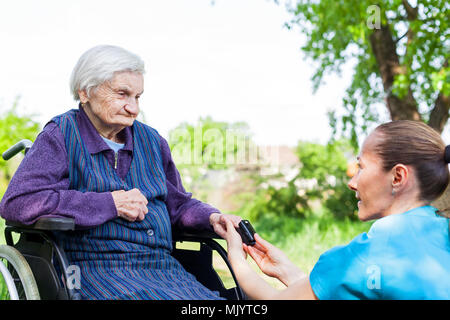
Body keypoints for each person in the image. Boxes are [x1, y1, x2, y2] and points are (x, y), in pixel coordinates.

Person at [0, 45, 241, 300]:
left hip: (162, 268)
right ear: (85, 92)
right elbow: (18, 202)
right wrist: (109, 203)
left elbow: (178, 205)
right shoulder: (61, 135)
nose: (133, 108)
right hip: (91, 269)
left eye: (137, 97)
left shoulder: (152, 142)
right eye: (122, 94)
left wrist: (212, 218)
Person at [223, 120, 450, 299]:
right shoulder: (442, 234)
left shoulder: (365, 254)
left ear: (398, 177)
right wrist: (289, 272)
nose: (352, 182)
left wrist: (235, 257)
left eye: (361, 167)